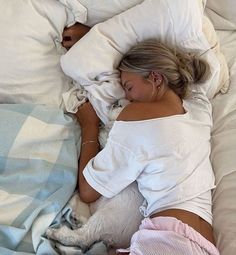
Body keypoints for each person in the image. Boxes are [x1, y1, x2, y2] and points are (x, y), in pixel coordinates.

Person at [75, 40, 220, 255]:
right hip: (203, 242)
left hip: (170, 239)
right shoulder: (199, 106)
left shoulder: (136, 117)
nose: (127, 97)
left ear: (155, 78)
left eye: (129, 87)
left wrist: (89, 125)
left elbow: (88, 190)